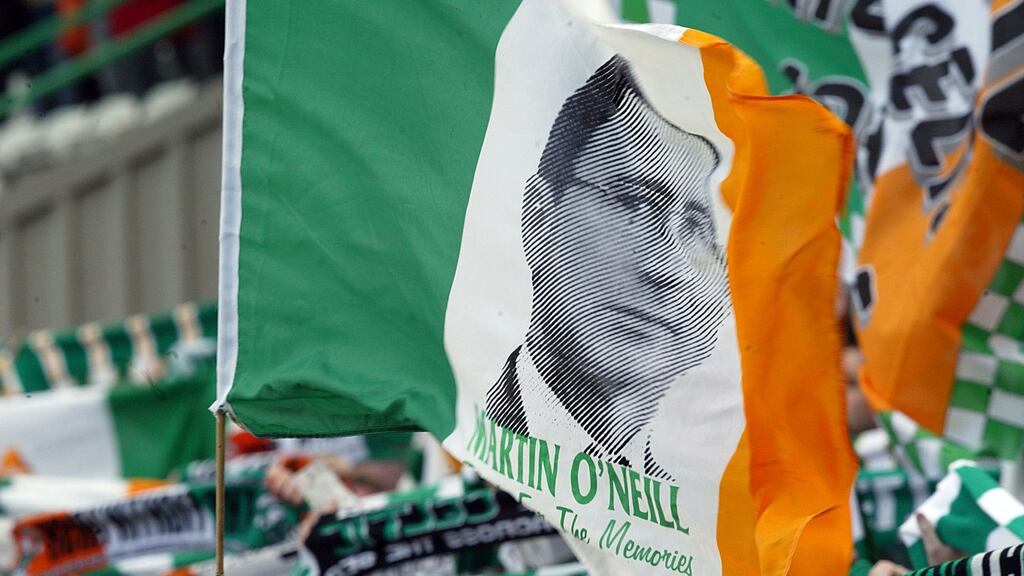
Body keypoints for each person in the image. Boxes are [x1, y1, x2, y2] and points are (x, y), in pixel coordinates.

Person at [485, 56, 728, 480]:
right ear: (540, 211)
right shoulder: (479, 448)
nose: (666, 266)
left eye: (699, 229)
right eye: (634, 202)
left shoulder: (707, 496)